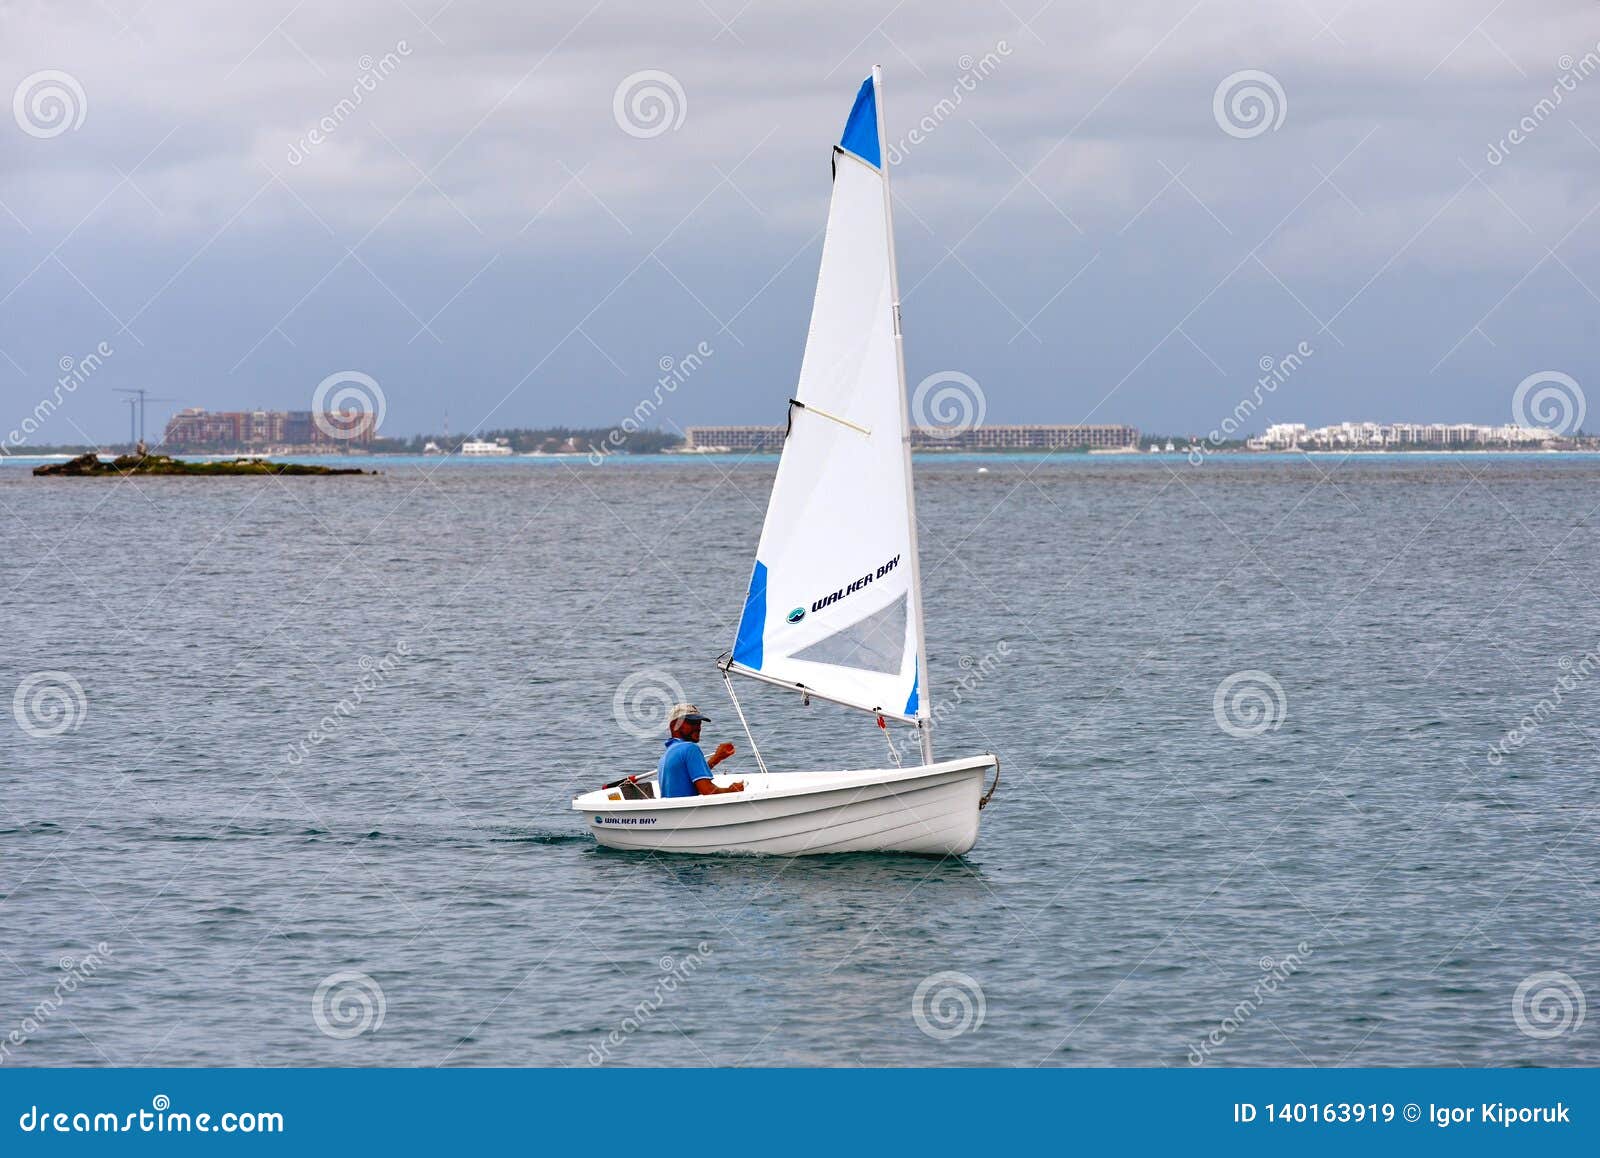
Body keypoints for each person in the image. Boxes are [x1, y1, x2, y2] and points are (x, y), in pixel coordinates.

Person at [657, 704, 745, 798]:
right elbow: (708, 791)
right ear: (674, 725)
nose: (698, 727)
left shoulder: (668, 754)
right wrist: (731, 790)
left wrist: (716, 758)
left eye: (699, 723)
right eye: (692, 723)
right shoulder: (690, 748)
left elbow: (690, 777)